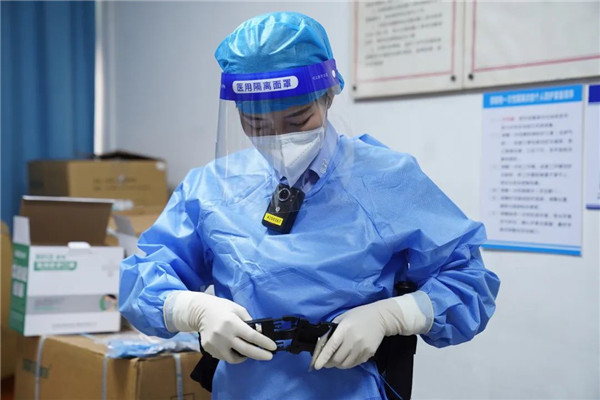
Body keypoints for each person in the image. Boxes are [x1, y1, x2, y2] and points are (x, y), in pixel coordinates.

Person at [119, 11, 500, 400]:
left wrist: (392, 317)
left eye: (297, 120)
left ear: (329, 95)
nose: (278, 138)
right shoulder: (213, 187)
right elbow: (143, 277)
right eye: (257, 125)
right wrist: (193, 309)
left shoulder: (386, 181)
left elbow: (469, 281)